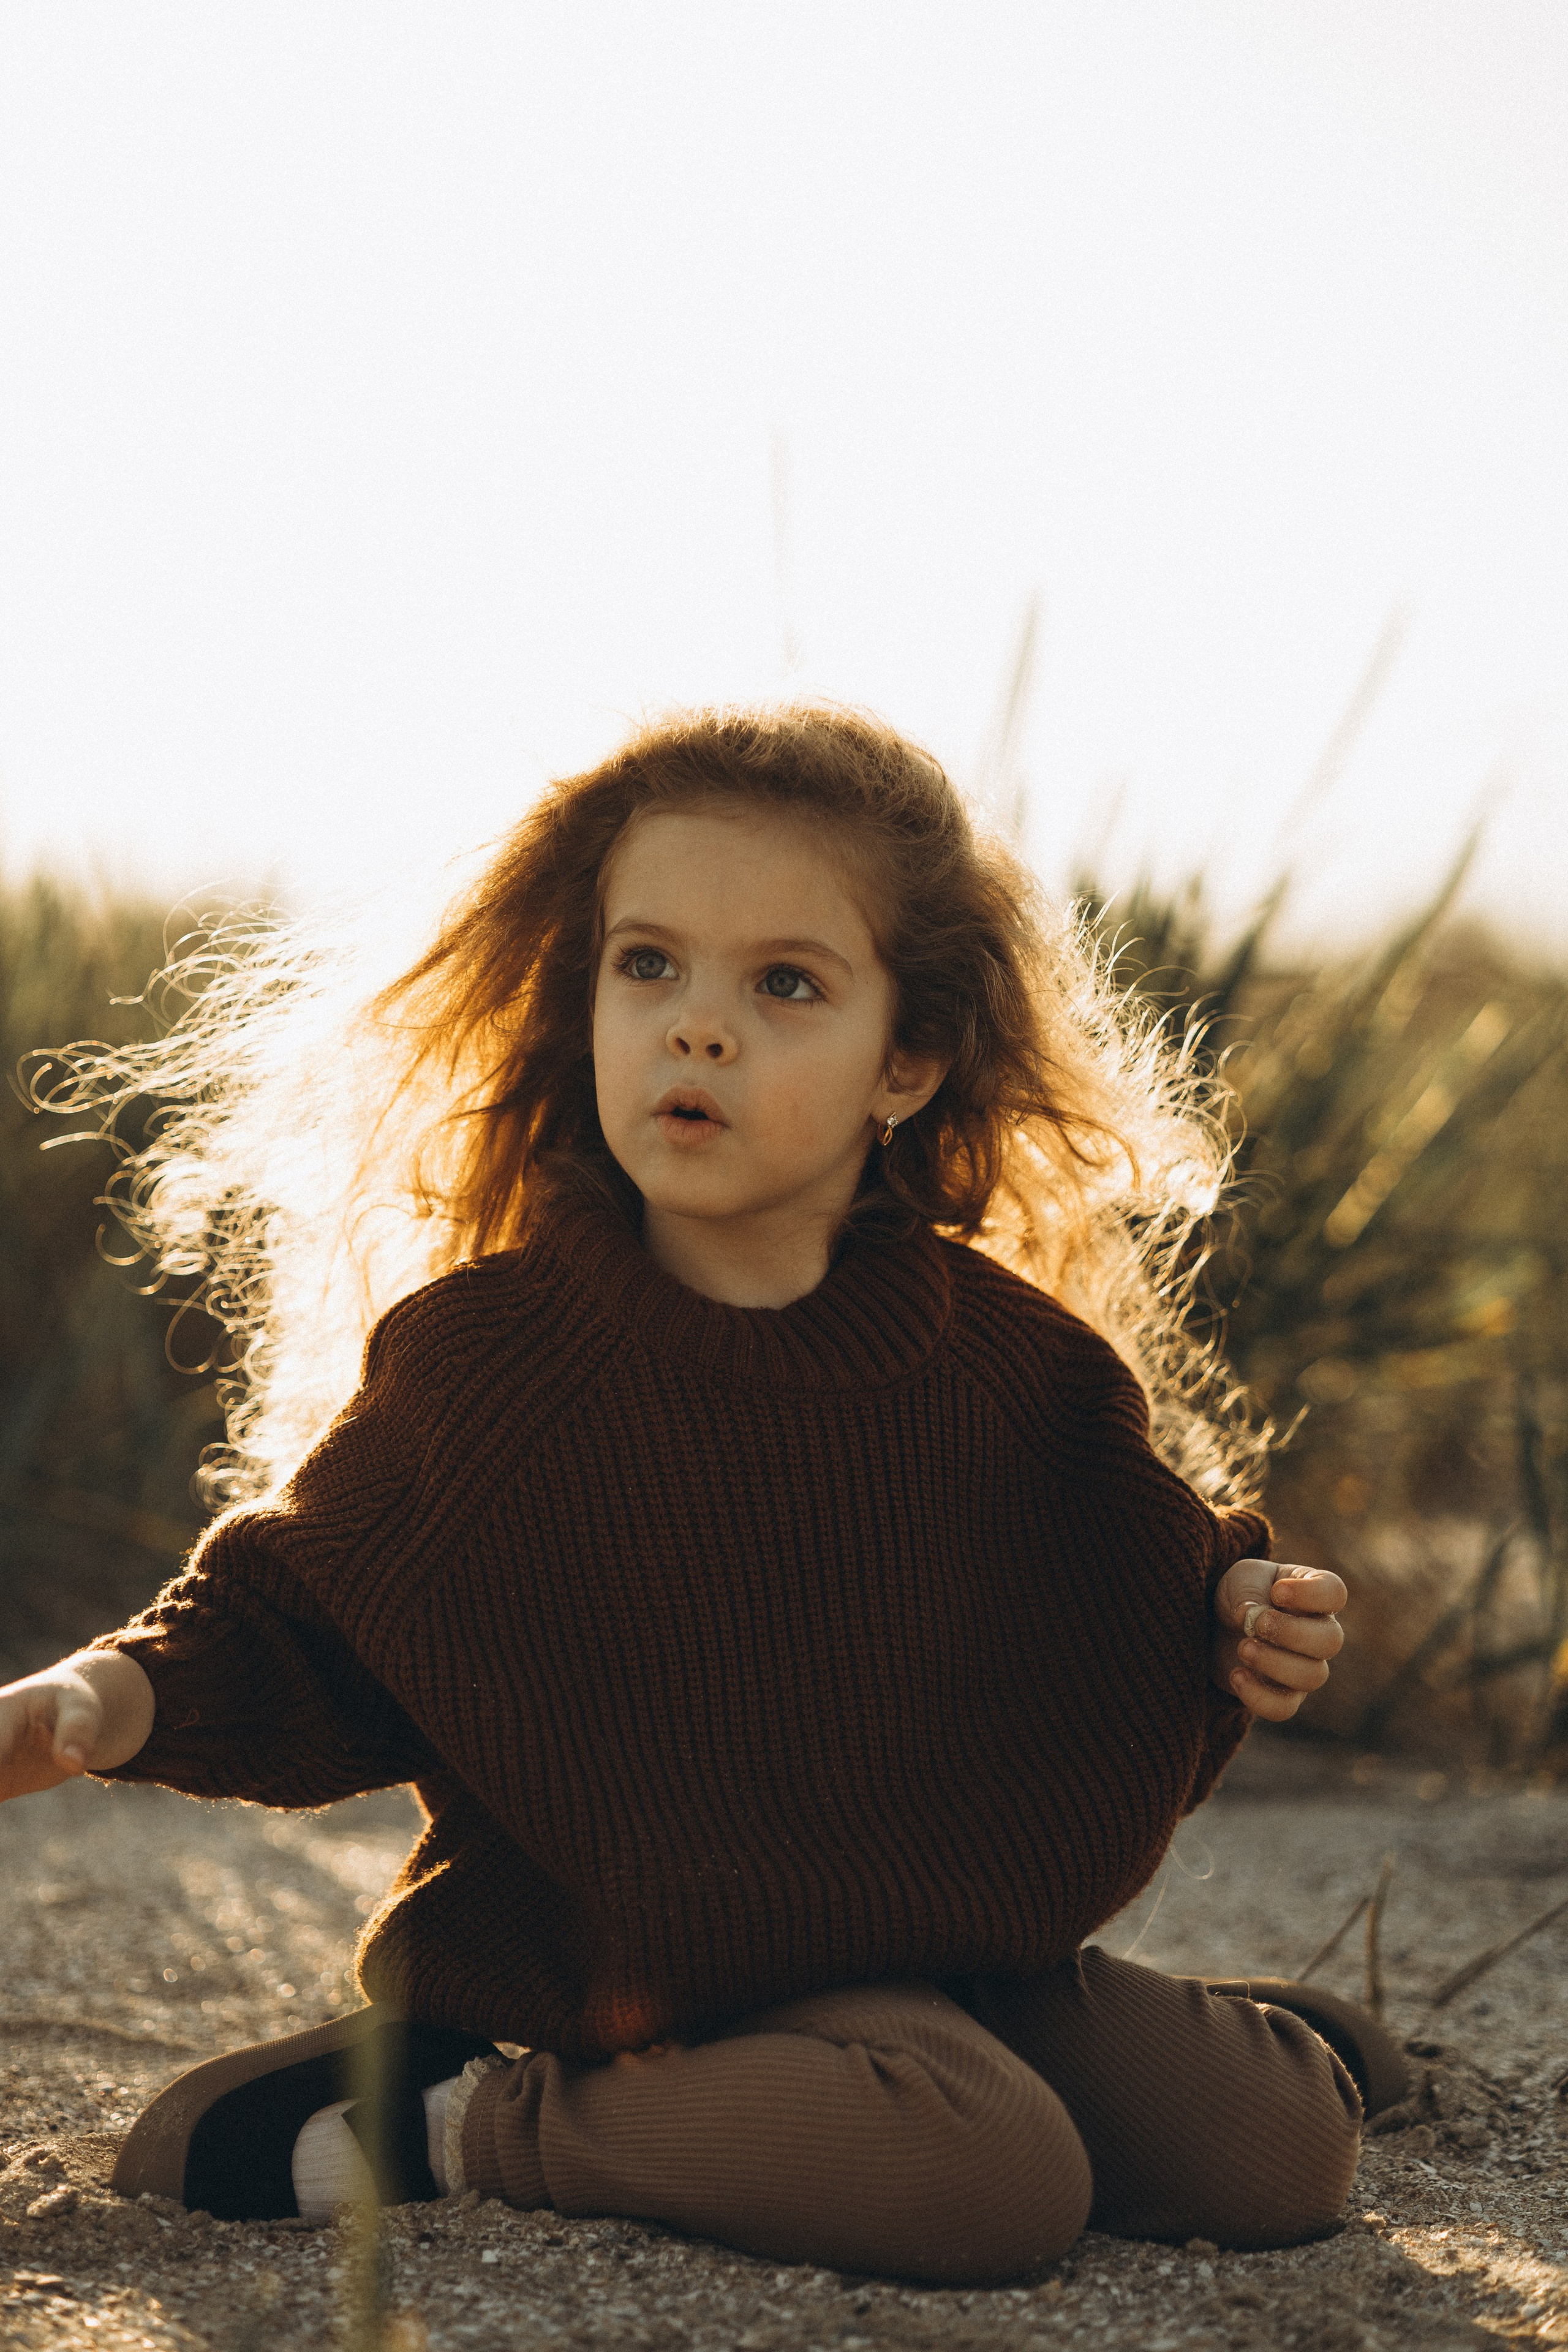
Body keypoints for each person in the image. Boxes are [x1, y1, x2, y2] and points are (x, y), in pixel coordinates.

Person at [0, 704, 1403, 2284]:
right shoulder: (495, 1362)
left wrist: (1229, 1614)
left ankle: (1101, 2061)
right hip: (624, 1960)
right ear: (582, 997)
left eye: (784, 985)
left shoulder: (1012, 1364)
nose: (697, 1028)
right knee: (985, 2180)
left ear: (909, 1060)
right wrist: (101, 1698)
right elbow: (305, 1609)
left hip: (929, 1937)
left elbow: (1112, 1577)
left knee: (1282, 2151)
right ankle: (469, 2119)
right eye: (647, 966)